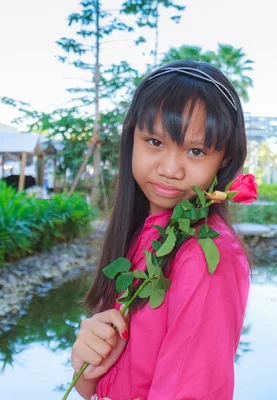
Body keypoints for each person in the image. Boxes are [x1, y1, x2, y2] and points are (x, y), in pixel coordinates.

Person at [70, 61, 251, 399]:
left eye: (196, 151)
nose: (170, 169)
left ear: (224, 159)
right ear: (132, 140)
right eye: (154, 141)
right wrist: (86, 365)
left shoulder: (207, 257)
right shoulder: (141, 233)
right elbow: (101, 387)